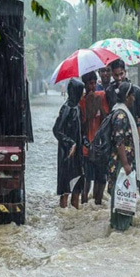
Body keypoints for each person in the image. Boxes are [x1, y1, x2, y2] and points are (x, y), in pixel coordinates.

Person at [107, 82, 140, 231]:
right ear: (127, 97)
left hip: (123, 162)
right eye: (132, 95)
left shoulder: (120, 111)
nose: (134, 98)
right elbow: (119, 141)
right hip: (122, 163)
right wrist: (126, 164)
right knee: (122, 194)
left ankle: (121, 226)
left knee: (123, 193)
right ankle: (120, 227)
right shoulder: (121, 115)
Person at [53, 78, 85, 209]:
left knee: (77, 186)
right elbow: (56, 130)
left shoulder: (77, 107)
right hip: (67, 153)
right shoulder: (66, 108)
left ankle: (75, 217)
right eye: (80, 91)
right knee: (66, 188)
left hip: (77, 153)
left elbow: (80, 131)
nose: (82, 94)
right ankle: (64, 214)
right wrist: (70, 143)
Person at [79, 71, 110, 205]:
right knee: (86, 178)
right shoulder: (81, 101)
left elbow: (107, 119)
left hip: (101, 146)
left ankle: (98, 203)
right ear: (84, 85)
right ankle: (84, 203)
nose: (92, 86)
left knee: (101, 178)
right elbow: (81, 127)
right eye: (89, 84)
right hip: (86, 147)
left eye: (93, 83)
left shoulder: (101, 96)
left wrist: (98, 106)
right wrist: (90, 110)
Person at [105, 59, 140, 142]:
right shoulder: (109, 92)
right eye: (116, 75)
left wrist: (137, 141)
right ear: (112, 75)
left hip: (133, 134)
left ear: (125, 72)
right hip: (115, 136)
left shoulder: (136, 91)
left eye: (121, 74)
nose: (119, 78)